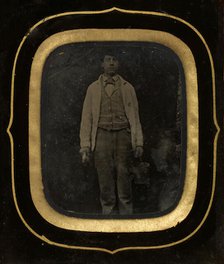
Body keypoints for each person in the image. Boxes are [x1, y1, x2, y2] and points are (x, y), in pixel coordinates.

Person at [79, 53, 143, 215]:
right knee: (105, 180)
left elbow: (135, 117)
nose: (111, 63)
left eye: (115, 60)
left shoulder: (128, 88)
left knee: (124, 178)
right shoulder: (93, 88)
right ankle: (108, 220)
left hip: (123, 137)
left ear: (119, 63)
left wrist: (138, 143)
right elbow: (86, 118)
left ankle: (126, 220)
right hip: (101, 137)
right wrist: (85, 146)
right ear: (102, 64)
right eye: (108, 60)